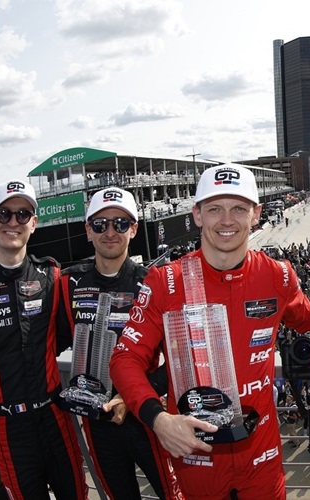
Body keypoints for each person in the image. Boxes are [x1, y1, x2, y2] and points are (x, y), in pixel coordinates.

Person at [109, 164, 310, 499]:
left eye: (238, 208)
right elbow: (124, 360)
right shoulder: (166, 282)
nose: (227, 220)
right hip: (195, 459)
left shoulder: (278, 276)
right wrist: (159, 420)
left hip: (261, 457)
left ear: (256, 214)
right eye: (214, 209)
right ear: (197, 215)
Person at [0, 179, 88, 500]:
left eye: (23, 215)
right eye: (5, 214)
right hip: (7, 425)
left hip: (55, 415)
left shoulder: (52, 276)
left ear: (34, 223)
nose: (13, 223)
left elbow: (72, 334)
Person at [58, 187, 181, 499]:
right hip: (97, 423)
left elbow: (179, 362)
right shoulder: (68, 284)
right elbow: (41, 341)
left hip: (147, 418)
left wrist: (133, 398)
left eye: (120, 224)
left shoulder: (152, 283)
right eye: (100, 225)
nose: (110, 232)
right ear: (87, 231)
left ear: (134, 229)